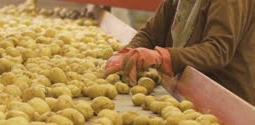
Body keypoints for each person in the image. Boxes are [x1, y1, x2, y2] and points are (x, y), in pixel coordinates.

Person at [106, 0, 255, 105]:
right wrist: (128, 52)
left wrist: (161, 57)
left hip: (226, 98)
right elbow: (151, 33)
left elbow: (217, 50)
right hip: (188, 91)